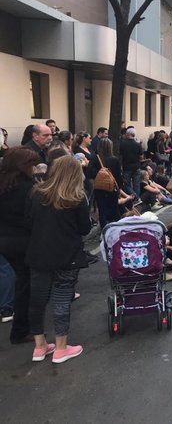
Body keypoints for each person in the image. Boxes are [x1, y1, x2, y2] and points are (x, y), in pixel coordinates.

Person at [26, 155, 91, 364]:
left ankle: (40, 346)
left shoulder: (36, 193)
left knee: (37, 300)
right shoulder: (77, 197)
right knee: (61, 300)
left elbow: (28, 222)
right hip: (66, 255)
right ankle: (61, 348)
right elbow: (84, 228)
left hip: (38, 253)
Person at [0, 147, 39, 342]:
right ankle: (21, 329)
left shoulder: (4, 184)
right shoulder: (27, 188)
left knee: (19, 280)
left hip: (4, 240)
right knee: (25, 285)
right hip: (23, 241)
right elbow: (32, 218)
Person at [119, 127, 144, 198]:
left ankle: (134, 196)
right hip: (136, 166)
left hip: (127, 167)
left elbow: (120, 156)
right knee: (136, 184)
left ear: (127, 134)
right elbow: (141, 157)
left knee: (126, 184)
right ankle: (137, 199)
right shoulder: (138, 145)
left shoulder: (122, 144)